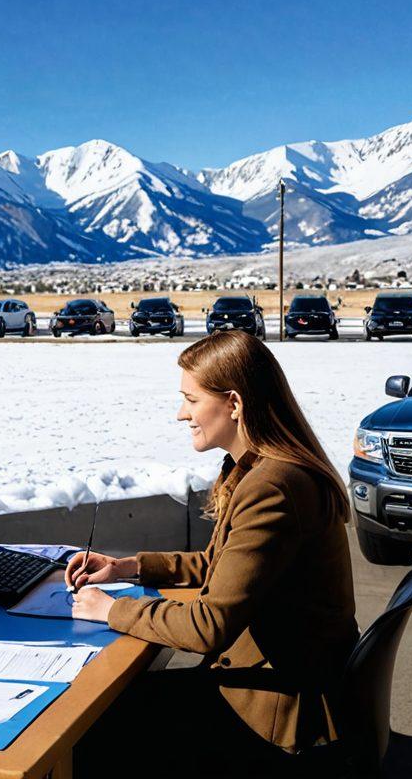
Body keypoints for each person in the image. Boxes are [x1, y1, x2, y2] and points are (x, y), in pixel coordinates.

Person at [68, 330, 358, 776]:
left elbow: (210, 627)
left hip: (275, 713)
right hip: (280, 685)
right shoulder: (261, 469)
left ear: (234, 404)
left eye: (191, 399)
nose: (181, 413)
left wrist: (110, 611)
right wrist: (127, 566)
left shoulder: (272, 487)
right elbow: (220, 565)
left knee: (91, 732)